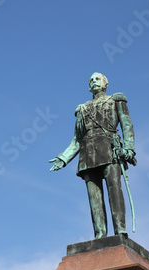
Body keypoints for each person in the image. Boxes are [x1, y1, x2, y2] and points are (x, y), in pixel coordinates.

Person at [49, 72, 136, 239]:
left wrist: (129, 148)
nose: (94, 81)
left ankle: (120, 230)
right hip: (88, 153)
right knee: (93, 198)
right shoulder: (82, 109)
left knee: (115, 190)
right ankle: (100, 235)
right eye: (91, 80)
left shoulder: (116, 100)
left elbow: (127, 125)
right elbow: (77, 140)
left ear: (105, 84)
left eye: (97, 79)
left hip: (110, 149)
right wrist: (63, 158)